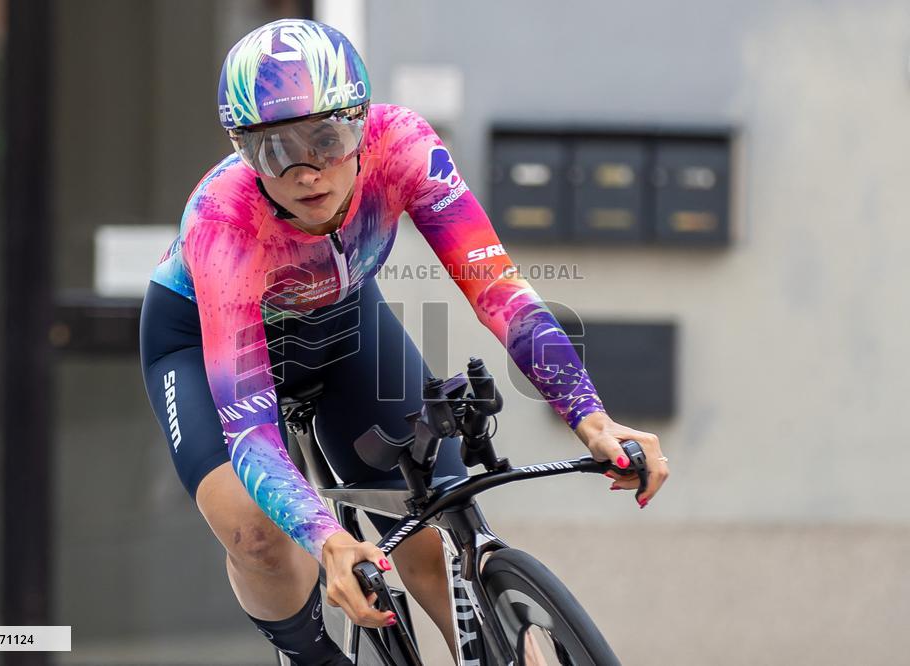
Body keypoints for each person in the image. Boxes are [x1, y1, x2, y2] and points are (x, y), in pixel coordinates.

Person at [139, 17, 669, 665]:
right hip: (201, 346)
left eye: (326, 138)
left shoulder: (404, 147)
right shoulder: (223, 222)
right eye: (275, 150)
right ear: (245, 154)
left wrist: (590, 416)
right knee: (258, 536)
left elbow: (500, 292)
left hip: (341, 321)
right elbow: (249, 430)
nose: (306, 171)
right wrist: (327, 541)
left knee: (434, 534)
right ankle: (314, 658)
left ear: (361, 123)